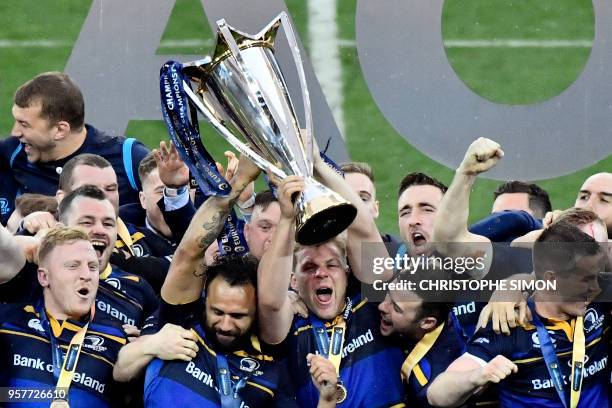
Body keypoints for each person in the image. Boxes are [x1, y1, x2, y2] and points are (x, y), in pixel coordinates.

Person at [258, 151, 406, 407]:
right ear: (293, 281)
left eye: (332, 265)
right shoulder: (292, 324)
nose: (321, 273)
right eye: (309, 267)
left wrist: (317, 164)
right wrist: (286, 217)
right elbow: (270, 301)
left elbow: (364, 229)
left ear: (347, 272)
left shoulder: (372, 304)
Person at [427, 223, 610, 408]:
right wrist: (477, 376)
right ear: (552, 279)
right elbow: (437, 394)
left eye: (595, 276)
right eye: (586, 279)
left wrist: (515, 283)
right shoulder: (509, 324)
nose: (595, 287)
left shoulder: (599, 300)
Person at [0, 227, 127, 407]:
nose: (86, 275)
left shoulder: (117, 336)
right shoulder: (9, 320)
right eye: (73, 266)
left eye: (93, 267)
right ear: (44, 277)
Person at [0, 72, 149, 220]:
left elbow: (165, 220)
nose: (15, 132)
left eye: (24, 124)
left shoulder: (128, 157)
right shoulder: (13, 152)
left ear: (60, 130)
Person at [378, 267, 463, 407]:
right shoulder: (437, 304)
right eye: (388, 293)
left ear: (427, 323)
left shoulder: (429, 382)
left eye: (396, 308)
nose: (382, 306)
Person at [341, 161, 402, 254]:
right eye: (345, 197)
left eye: (363, 198)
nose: (355, 205)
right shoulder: (315, 255)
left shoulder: (399, 255)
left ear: (375, 209)